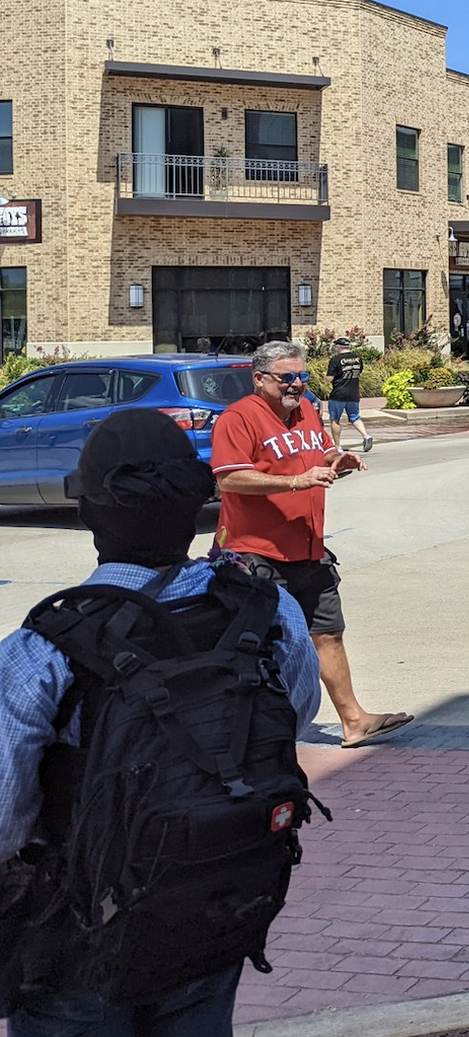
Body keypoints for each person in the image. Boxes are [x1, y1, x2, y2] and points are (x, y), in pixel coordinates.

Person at [0, 410, 322, 1037]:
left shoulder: (45, 648)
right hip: (216, 906)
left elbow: (3, 818)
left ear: (89, 512)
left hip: (76, 938)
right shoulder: (264, 606)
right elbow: (297, 713)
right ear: (196, 505)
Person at [211, 341, 412, 749]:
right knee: (260, 645)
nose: (297, 384)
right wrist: (294, 482)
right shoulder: (239, 418)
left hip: (309, 546)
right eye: (287, 377)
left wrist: (339, 459)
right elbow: (228, 478)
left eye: (302, 376)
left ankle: (354, 721)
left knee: (328, 633)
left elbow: (322, 452)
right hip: (256, 553)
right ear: (260, 379)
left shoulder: (304, 412)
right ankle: (246, 734)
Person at [324, 337, 371, 454]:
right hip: (354, 393)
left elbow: (330, 379)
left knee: (335, 419)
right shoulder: (357, 358)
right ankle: (366, 436)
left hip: (338, 394)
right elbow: (359, 372)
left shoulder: (335, 360)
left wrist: (324, 376)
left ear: (338, 347)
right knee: (355, 416)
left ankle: (338, 446)